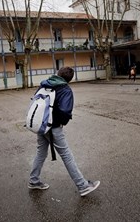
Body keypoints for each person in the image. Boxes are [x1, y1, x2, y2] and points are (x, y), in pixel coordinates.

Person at [28, 66, 100, 197]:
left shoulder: (45, 84)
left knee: (41, 153)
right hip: (54, 127)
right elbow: (65, 112)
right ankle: (83, 185)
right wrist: (62, 122)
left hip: (41, 125)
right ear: (69, 79)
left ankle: (34, 180)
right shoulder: (65, 89)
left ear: (58, 74)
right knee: (66, 155)